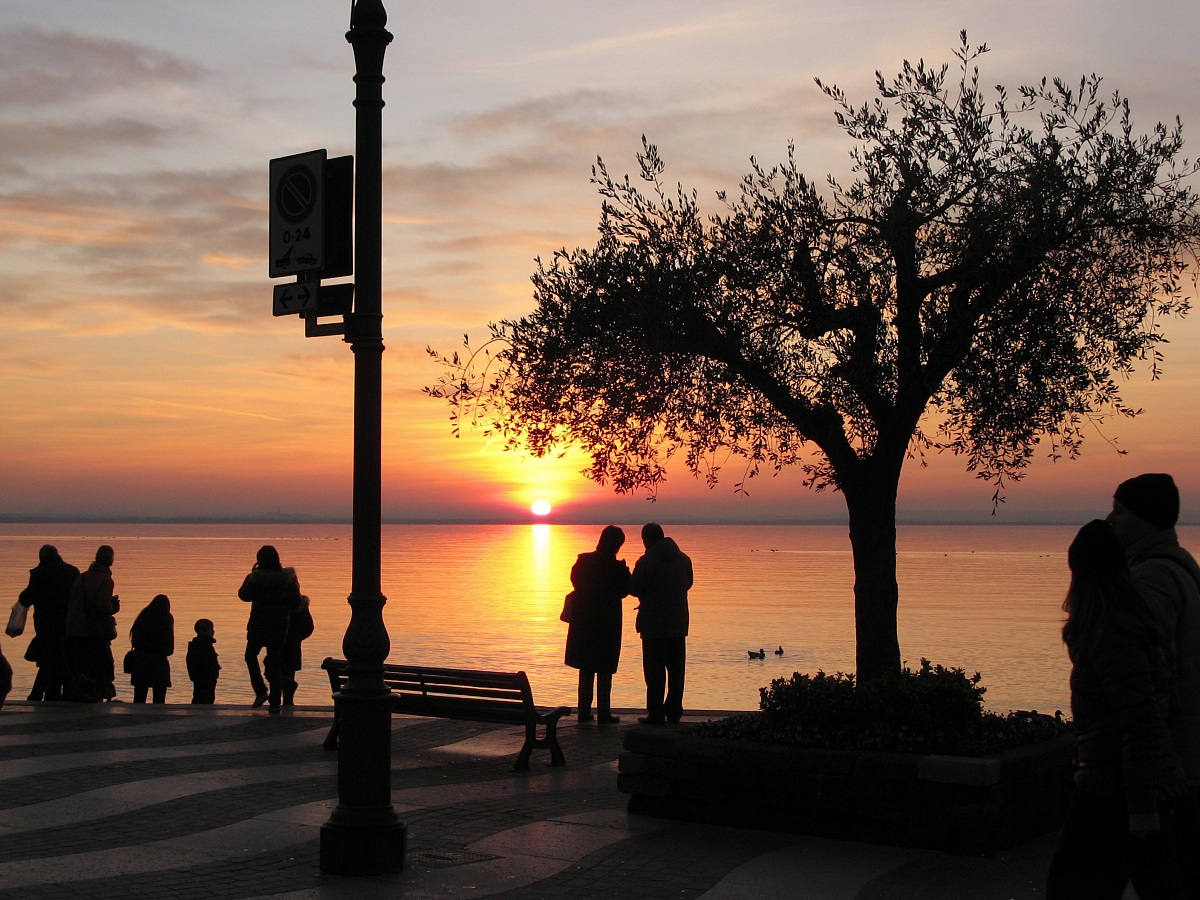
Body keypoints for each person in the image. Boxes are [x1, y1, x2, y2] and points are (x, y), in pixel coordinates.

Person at [1045, 520, 1186, 899]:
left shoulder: (1113, 631)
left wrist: (1142, 808)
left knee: (1070, 887)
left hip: (1113, 787)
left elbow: (1140, 721)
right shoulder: (1138, 619)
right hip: (1127, 783)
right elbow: (1162, 708)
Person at [1106, 473, 1200, 893]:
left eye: (1120, 511)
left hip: (1167, 761)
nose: (1112, 519)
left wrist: (1155, 758)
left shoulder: (1152, 579)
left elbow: (1147, 678)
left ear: (1145, 518)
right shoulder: (1182, 567)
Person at [627, 523, 693, 725]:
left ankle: (655, 713)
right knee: (676, 671)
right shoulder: (684, 559)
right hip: (678, 623)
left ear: (647, 539)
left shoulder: (646, 561)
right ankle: (674, 711)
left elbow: (634, 588)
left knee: (654, 672)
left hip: (654, 625)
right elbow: (688, 584)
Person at [564, 526, 630, 724]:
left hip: (584, 620)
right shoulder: (617, 568)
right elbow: (626, 589)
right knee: (605, 667)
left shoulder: (583, 562)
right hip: (608, 621)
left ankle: (584, 711)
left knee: (586, 667)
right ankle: (604, 712)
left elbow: (575, 581)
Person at [238, 545, 301, 713]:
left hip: (258, 624)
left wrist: (252, 576)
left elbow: (243, 595)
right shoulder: (289, 579)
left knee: (250, 656)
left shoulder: (256, 578)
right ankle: (275, 703)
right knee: (274, 662)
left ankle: (260, 690)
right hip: (279, 626)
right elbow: (296, 602)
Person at [18, 545, 80, 701]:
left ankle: (60, 691)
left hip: (47, 623)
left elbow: (26, 599)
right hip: (68, 622)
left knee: (55, 657)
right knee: (53, 656)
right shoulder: (72, 571)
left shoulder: (39, 573)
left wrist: (23, 594)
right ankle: (46, 693)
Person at [65, 545, 119, 702]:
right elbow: (102, 605)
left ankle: (80, 694)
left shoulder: (82, 577)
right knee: (102, 664)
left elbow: (73, 601)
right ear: (111, 560)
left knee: (81, 664)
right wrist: (113, 606)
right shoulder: (106, 580)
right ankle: (98, 695)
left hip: (74, 627)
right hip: (93, 629)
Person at [124, 594, 174, 703]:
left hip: (140, 661)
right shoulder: (166, 618)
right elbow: (169, 646)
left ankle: (137, 713)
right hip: (158, 662)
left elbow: (135, 640)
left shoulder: (143, 616)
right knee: (159, 698)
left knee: (139, 696)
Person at [280, 594, 314, 706]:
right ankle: (288, 701)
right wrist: (297, 637)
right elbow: (309, 627)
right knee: (289, 672)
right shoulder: (302, 605)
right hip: (294, 645)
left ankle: (278, 700)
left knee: (273, 670)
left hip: (278, 643)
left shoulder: (279, 602)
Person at [187, 618, 220, 705]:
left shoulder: (198, 644)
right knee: (204, 698)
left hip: (202, 678)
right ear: (203, 631)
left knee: (200, 697)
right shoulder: (204, 645)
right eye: (211, 629)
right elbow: (207, 663)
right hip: (205, 679)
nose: (213, 632)